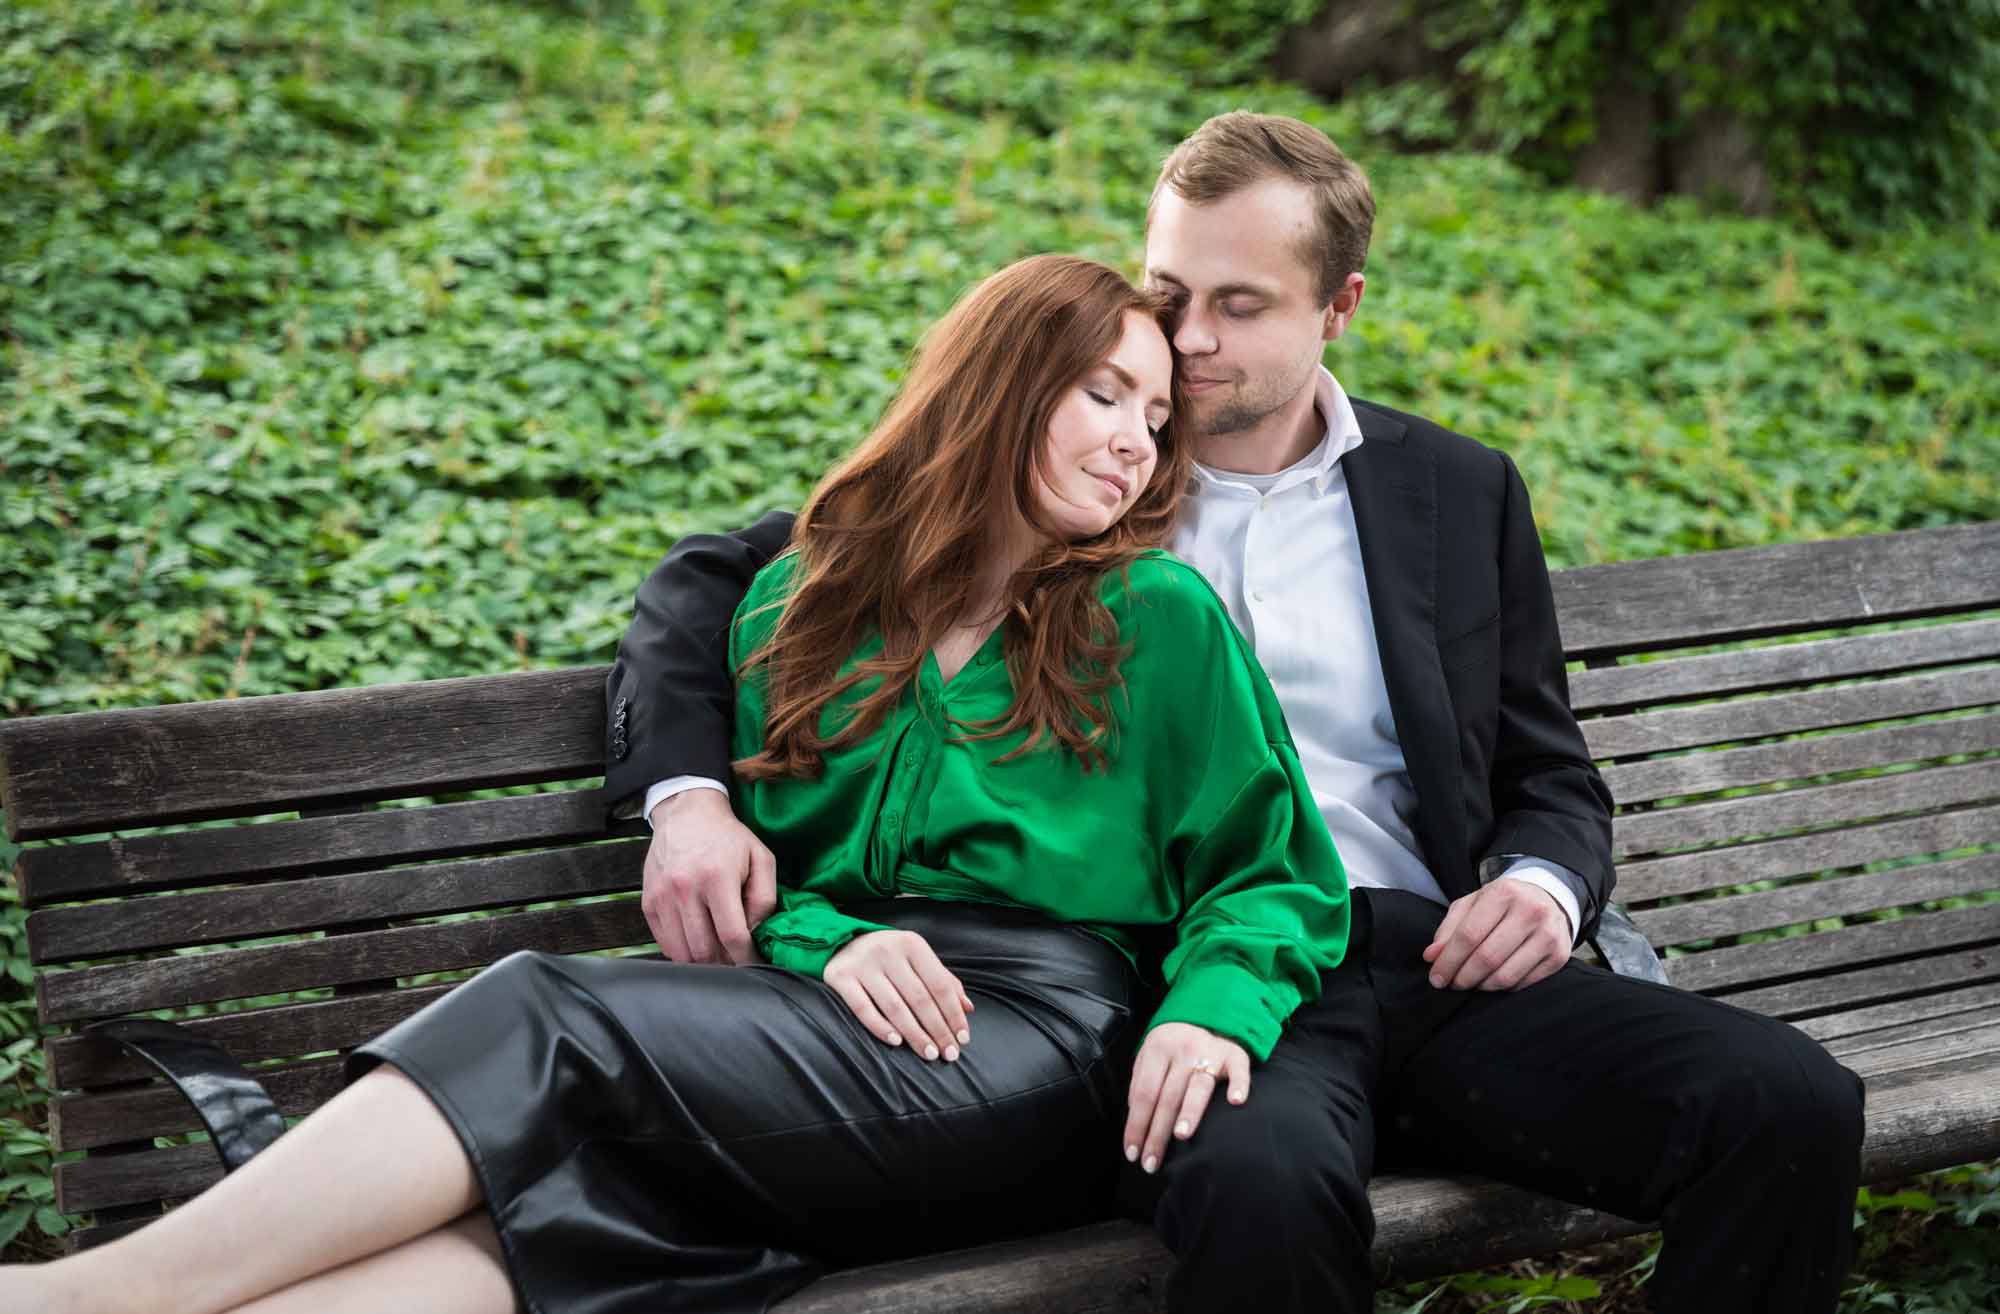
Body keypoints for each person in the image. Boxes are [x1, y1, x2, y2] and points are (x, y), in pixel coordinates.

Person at [604, 112, 1867, 1314]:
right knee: (1260, 1191)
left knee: (1786, 1103)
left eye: (1239, 305)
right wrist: (689, 800)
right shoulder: (1079, 467)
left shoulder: (1455, 491)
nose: (1190, 339)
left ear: (1339, 305)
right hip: (1194, 971)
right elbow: (726, 579)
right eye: (1169, 295)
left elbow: (1546, 770)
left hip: (1426, 960)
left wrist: (1540, 885)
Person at [0, 254, 1353, 1314]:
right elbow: (779, 875)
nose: (1135, 442)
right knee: (572, 1214)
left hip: (1038, 1046)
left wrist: (1213, 1012)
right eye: (1103, 394)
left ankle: (84, 1294)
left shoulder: (1154, 617)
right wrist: (830, 941)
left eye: (1155, 416)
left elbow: (1273, 873)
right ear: (996, 384)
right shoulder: (801, 607)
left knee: (548, 1011)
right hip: (838, 1029)